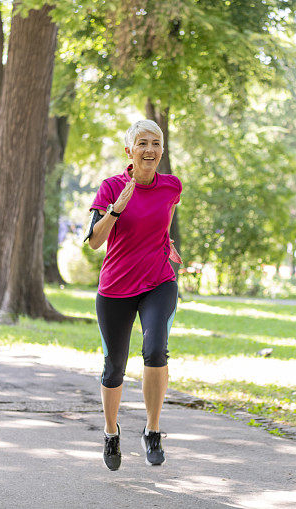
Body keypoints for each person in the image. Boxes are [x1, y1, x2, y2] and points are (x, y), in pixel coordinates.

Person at [85, 119, 182, 471]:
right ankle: (111, 432)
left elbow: (161, 221)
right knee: (114, 368)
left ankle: (152, 431)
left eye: (156, 143)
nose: (150, 150)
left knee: (156, 350)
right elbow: (95, 241)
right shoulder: (111, 187)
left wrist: (165, 243)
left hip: (159, 281)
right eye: (142, 143)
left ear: (162, 150)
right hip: (115, 288)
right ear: (129, 151)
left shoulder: (172, 187)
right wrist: (116, 209)